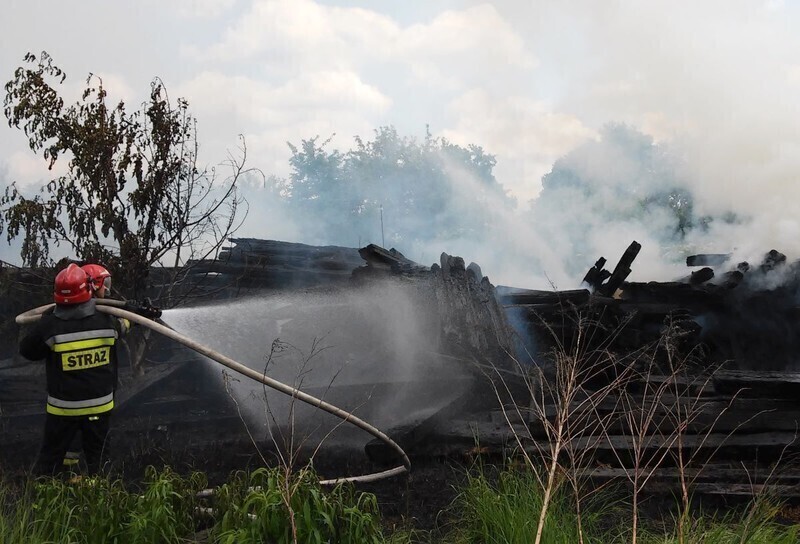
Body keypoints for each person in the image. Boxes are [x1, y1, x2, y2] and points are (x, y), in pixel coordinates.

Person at [19, 263, 125, 475]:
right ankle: (99, 497)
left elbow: (28, 351)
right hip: (98, 408)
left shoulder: (50, 325)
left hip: (63, 410)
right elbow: (125, 325)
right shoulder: (107, 322)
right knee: (99, 459)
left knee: (51, 459)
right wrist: (137, 314)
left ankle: (53, 493)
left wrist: (45, 322)